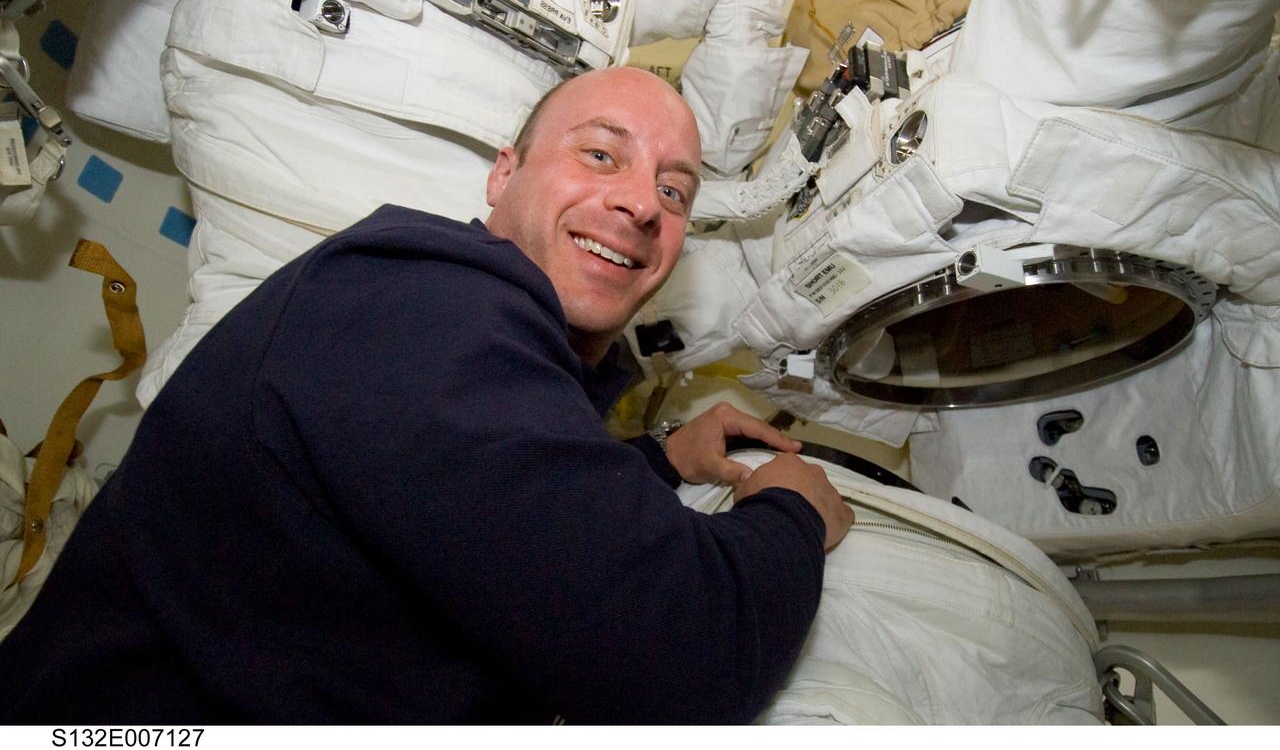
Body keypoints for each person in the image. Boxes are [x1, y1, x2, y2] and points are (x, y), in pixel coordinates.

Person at [0, 66, 852, 724]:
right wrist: (791, 510)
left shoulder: (457, 331)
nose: (640, 202)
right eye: (600, 154)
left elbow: (487, 514)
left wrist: (659, 461)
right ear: (503, 175)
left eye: (674, 192)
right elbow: (688, 662)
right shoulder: (429, 314)